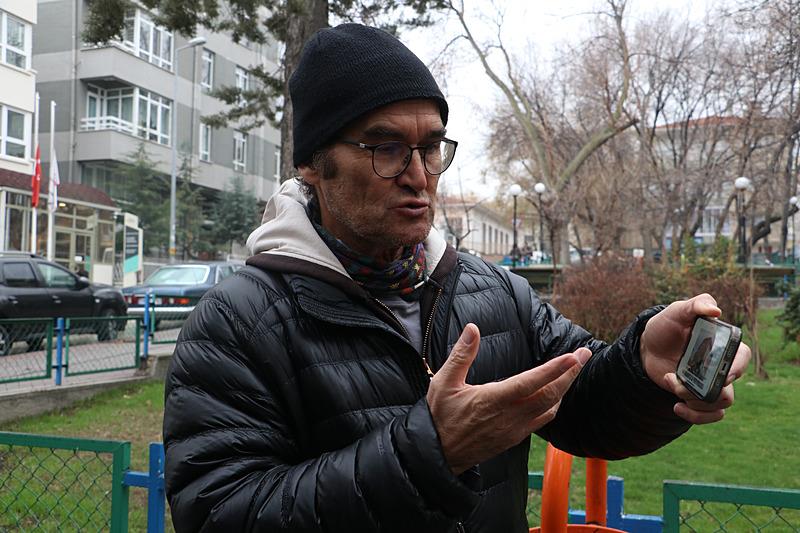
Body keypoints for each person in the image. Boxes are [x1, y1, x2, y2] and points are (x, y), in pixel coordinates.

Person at [162, 24, 751, 532]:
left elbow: (583, 404)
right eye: (386, 148)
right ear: (313, 165)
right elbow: (219, 514)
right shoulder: (237, 324)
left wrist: (643, 368)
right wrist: (428, 454)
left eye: (431, 147)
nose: (419, 175)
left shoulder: (495, 292)